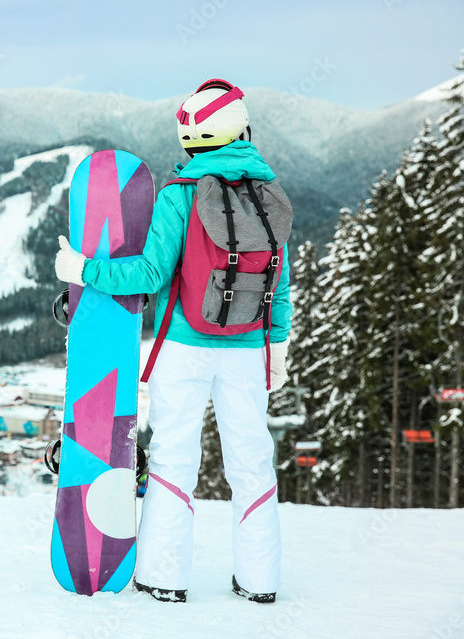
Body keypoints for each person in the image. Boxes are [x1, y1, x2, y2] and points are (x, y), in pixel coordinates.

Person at [55, 79, 291, 604]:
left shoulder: (180, 195)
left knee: (174, 458)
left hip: (183, 348)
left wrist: (83, 270)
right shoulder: (270, 196)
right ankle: (260, 582)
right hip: (250, 350)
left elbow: (148, 273)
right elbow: (280, 283)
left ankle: (164, 578)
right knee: (252, 462)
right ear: (240, 131)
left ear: (191, 138)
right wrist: (278, 345)